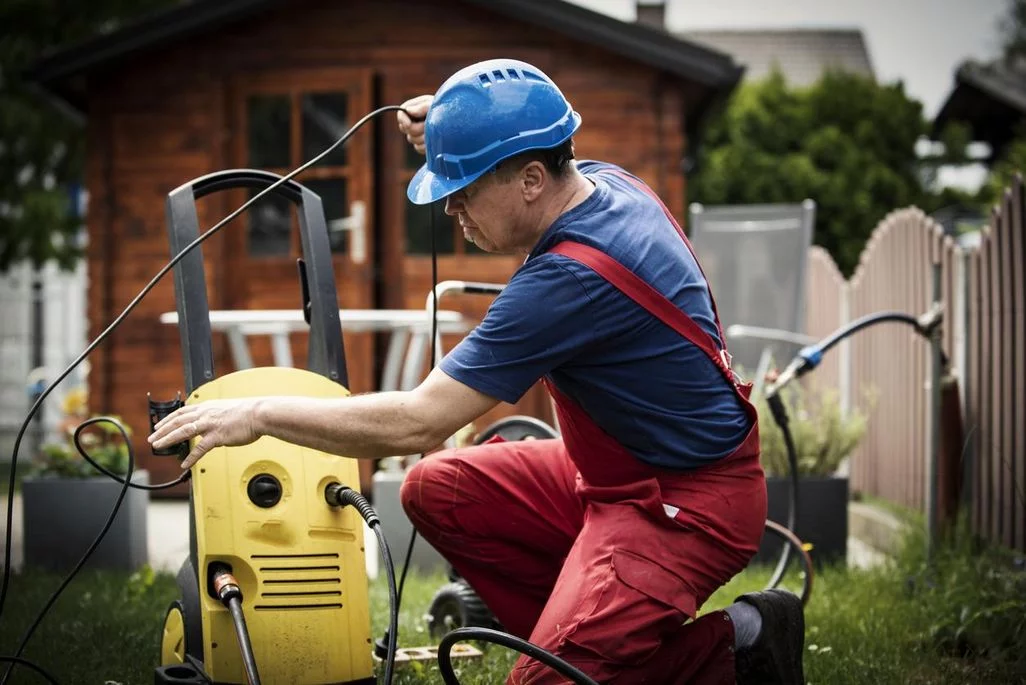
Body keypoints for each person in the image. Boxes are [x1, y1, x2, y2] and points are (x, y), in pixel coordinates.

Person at [149, 58, 805, 684]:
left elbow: (416, 420)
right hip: (608, 477)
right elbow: (529, 130)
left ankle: (739, 642)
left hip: (682, 503)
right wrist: (452, 122)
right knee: (437, 490)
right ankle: (582, 630)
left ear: (529, 181)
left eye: (461, 191)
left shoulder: (566, 278)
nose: (449, 210)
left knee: (544, 682)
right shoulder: (605, 182)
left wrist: (258, 413)